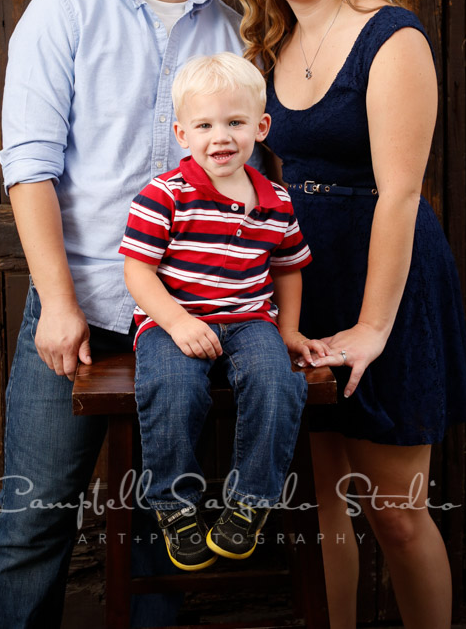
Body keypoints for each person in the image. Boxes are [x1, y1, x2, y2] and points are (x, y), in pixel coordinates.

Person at [0, 0, 255, 629]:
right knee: (33, 521)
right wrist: (57, 305)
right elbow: (29, 164)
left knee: (169, 533)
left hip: (190, 325)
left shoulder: (232, 33)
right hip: (84, 311)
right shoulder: (64, 9)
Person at [234, 0, 466, 629]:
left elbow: (399, 196)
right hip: (303, 280)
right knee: (320, 511)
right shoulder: (272, 39)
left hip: (385, 278)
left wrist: (373, 327)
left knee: (396, 514)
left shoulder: (390, 34)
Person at [120, 53, 321, 571]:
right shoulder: (164, 194)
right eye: (205, 125)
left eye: (235, 122)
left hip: (250, 319)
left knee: (278, 382)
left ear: (262, 126)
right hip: (173, 320)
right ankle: (173, 507)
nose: (221, 137)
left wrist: (290, 331)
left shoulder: (275, 200)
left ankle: (251, 503)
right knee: (174, 387)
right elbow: (138, 272)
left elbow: (287, 268)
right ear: (182, 133)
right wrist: (178, 322)